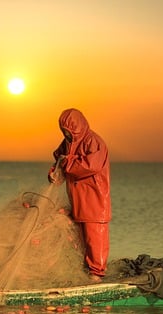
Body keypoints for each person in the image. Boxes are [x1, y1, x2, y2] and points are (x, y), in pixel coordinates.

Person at [47, 108, 111, 282]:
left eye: (68, 131)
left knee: (95, 235)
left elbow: (90, 166)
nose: (66, 134)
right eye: (63, 131)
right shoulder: (68, 142)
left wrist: (67, 164)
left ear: (77, 127)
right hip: (77, 198)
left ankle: (97, 273)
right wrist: (54, 172)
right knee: (81, 237)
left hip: (94, 198)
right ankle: (85, 268)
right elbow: (59, 159)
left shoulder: (94, 142)